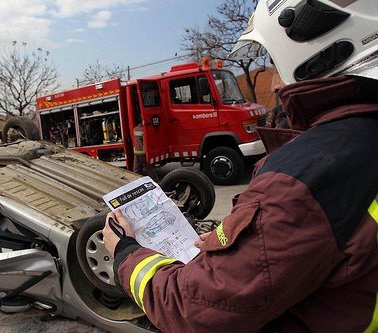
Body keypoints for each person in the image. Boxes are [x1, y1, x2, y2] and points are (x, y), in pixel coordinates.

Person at [103, 0, 378, 332]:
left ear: (319, 54)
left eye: (276, 63)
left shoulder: (303, 178)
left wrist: (124, 252)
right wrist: (234, 240)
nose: (276, 84)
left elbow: (196, 308)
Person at [132, 116, 158, 182]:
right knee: (149, 170)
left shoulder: (135, 129)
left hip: (136, 153)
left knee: (136, 170)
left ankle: (137, 184)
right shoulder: (144, 130)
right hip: (143, 153)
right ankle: (156, 183)